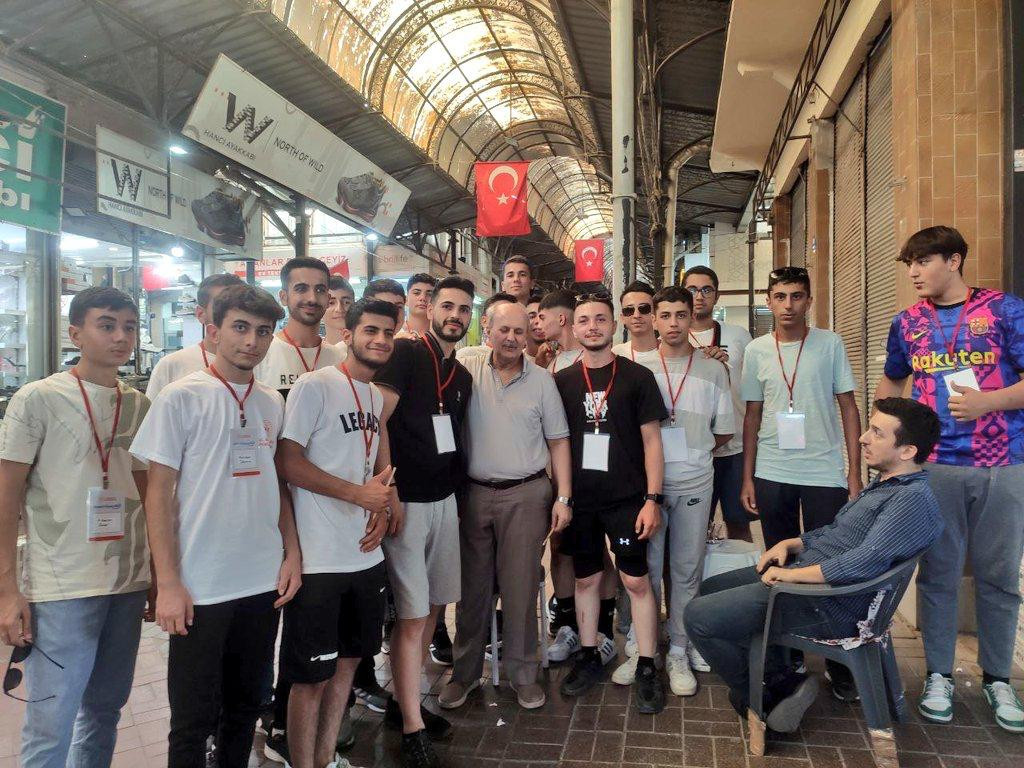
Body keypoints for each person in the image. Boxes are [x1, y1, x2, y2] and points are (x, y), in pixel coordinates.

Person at [684, 398, 943, 735]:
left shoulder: (910, 500)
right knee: (711, 588)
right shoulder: (889, 483)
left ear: (907, 451)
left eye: (877, 433)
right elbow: (837, 532)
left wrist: (791, 575)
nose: (863, 438)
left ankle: (768, 695)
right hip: (813, 585)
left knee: (698, 617)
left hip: (827, 602)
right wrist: (792, 544)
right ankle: (779, 677)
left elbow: (864, 560)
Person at [130, 284, 303, 768]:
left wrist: (292, 553)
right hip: (201, 585)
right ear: (213, 331)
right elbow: (157, 495)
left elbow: (278, 485)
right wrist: (167, 583)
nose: (251, 341)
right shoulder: (180, 397)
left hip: (261, 582)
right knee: (192, 720)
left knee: (245, 709)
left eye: (263, 331)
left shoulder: (271, 402)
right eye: (240, 328)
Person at [874, 226, 1024, 732]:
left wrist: (989, 401)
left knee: (998, 576)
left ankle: (998, 678)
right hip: (934, 465)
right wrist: (885, 434)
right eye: (909, 264)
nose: (914, 273)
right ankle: (939, 674)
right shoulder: (907, 322)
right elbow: (894, 378)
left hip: (1003, 463)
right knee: (937, 574)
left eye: (923, 262)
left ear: (954, 260)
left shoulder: (1004, 310)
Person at [0, 287, 150, 768]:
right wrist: (7, 590)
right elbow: (6, 497)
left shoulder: (141, 405)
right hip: (61, 584)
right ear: (75, 333)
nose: (121, 336)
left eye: (129, 327)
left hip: (127, 582)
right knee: (51, 721)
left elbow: (149, 495)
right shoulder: (38, 399)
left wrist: (156, 574)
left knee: (104, 711)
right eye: (107, 325)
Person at [275, 298, 404, 768]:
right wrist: (358, 495)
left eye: (388, 333)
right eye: (370, 330)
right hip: (320, 560)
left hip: (364, 557)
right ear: (348, 334)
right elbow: (287, 462)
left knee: (347, 668)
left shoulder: (374, 398)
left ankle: (327, 758)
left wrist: (380, 504)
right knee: (310, 678)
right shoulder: (315, 385)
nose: (380, 340)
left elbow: (368, 469)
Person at [439, 302, 572, 712]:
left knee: (520, 588)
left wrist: (563, 497)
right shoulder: (466, 367)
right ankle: (463, 674)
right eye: (504, 330)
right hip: (474, 494)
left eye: (519, 331)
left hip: (527, 494)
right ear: (488, 329)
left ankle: (523, 674)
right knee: (472, 591)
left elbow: (559, 441)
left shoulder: (542, 381)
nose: (512, 338)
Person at [740, 265, 863, 701]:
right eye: (780, 296)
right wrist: (748, 476)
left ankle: (837, 658)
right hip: (772, 472)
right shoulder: (756, 350)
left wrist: (854, 472)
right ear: (769, 301)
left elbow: (849, 407)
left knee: (830, 562)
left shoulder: (830, 344)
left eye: (796, 296)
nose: (788, 305)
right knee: (780, 563)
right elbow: (751, 416)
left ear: (809, 300)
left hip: (823, 472)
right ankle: (788, 651)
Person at [373, 276, 475, 768]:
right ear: (430, 307)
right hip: (408, 503)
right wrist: (387, 490)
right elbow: (377, 420)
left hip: (444, 501)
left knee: (434, 605)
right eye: (448, 306)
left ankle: (404, 703)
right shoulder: (407, 354)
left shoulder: (463, 374)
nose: (455, 315)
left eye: (464, 308)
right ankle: (412, 725)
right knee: (412, 615)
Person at [612, 286, 733, 697]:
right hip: (648, 488)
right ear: (654, 319)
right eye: (664, 315)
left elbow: (724, 431)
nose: (673, 323)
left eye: (681, 315)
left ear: (691, 317)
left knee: (686, 569)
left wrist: (693, 453)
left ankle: (680, 647)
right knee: (645, 569)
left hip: (696, 482)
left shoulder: (713, 369)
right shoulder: (636, 368)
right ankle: (642, 648)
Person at [554, 292, 668, 714]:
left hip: (627, 499)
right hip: (582, 502)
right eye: (584, 320)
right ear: (574, 327)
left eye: (600, 319)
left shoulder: (638, 377)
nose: (592, 327)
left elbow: (652, 442)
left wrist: (652, 499)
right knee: (585, 579)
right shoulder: (563, 381)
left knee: (636, 581)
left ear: (614, 324)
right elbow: (557, 444)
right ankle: (588, 654)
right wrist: (562, 497)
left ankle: (646, 664)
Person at [536, 289, 618, 665]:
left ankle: (603, 627)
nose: (537, 324)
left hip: (604, 478)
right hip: (561, 476)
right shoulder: (551, 366)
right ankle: (567, 624)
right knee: (561, 548)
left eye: (542, 316)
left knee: (599, 554)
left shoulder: (613, 357)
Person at [683, 266, 754, 543]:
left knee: (739, 524)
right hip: (693, 449)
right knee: (694, 529)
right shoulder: (673, 337)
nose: (699, 296)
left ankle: (745, 570)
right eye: (692, 290)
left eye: (706, 289)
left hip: (734, 447)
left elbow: (754, 391)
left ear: (717, 295)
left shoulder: (739, 336)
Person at [255, 257, 344, 400]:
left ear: (328, 299)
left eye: (320, 290)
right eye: (301, 289)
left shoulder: (339, 358)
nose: (312, 298)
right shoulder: (261, 354)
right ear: (283, 297)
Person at [147, 273, 244, 399]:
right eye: (222, 307)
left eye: (239, 307)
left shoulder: (258, 361)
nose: (232, 315)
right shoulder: (172, 365)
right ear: (200, 314)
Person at [455, 291, 518, 364]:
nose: (507, 321)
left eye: (512, 316)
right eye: (500, 315)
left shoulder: (522, 360)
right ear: (484, 321)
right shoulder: (466, 357)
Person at [612, 280, 659, 363]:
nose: (636, 315)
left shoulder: (672, 352)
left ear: (655, 313)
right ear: (622, 317)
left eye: (644, 309)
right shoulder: (615, 354)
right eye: (629, 310)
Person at [399, 273, 436, 339]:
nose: (423, 298)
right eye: (416, 293)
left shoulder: (443, 337)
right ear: (406, 300)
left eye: (429, 294)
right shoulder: (395, 334)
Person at [323, 275, 356, 349]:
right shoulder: (311, 352)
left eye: (346, 302)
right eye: (331, 303)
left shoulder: (365, 351)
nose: (339, 309)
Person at [525, 292, 545, 358]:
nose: (538, 321)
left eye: (542, 317)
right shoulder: (514, 360)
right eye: (532, 316)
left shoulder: (564, 360)